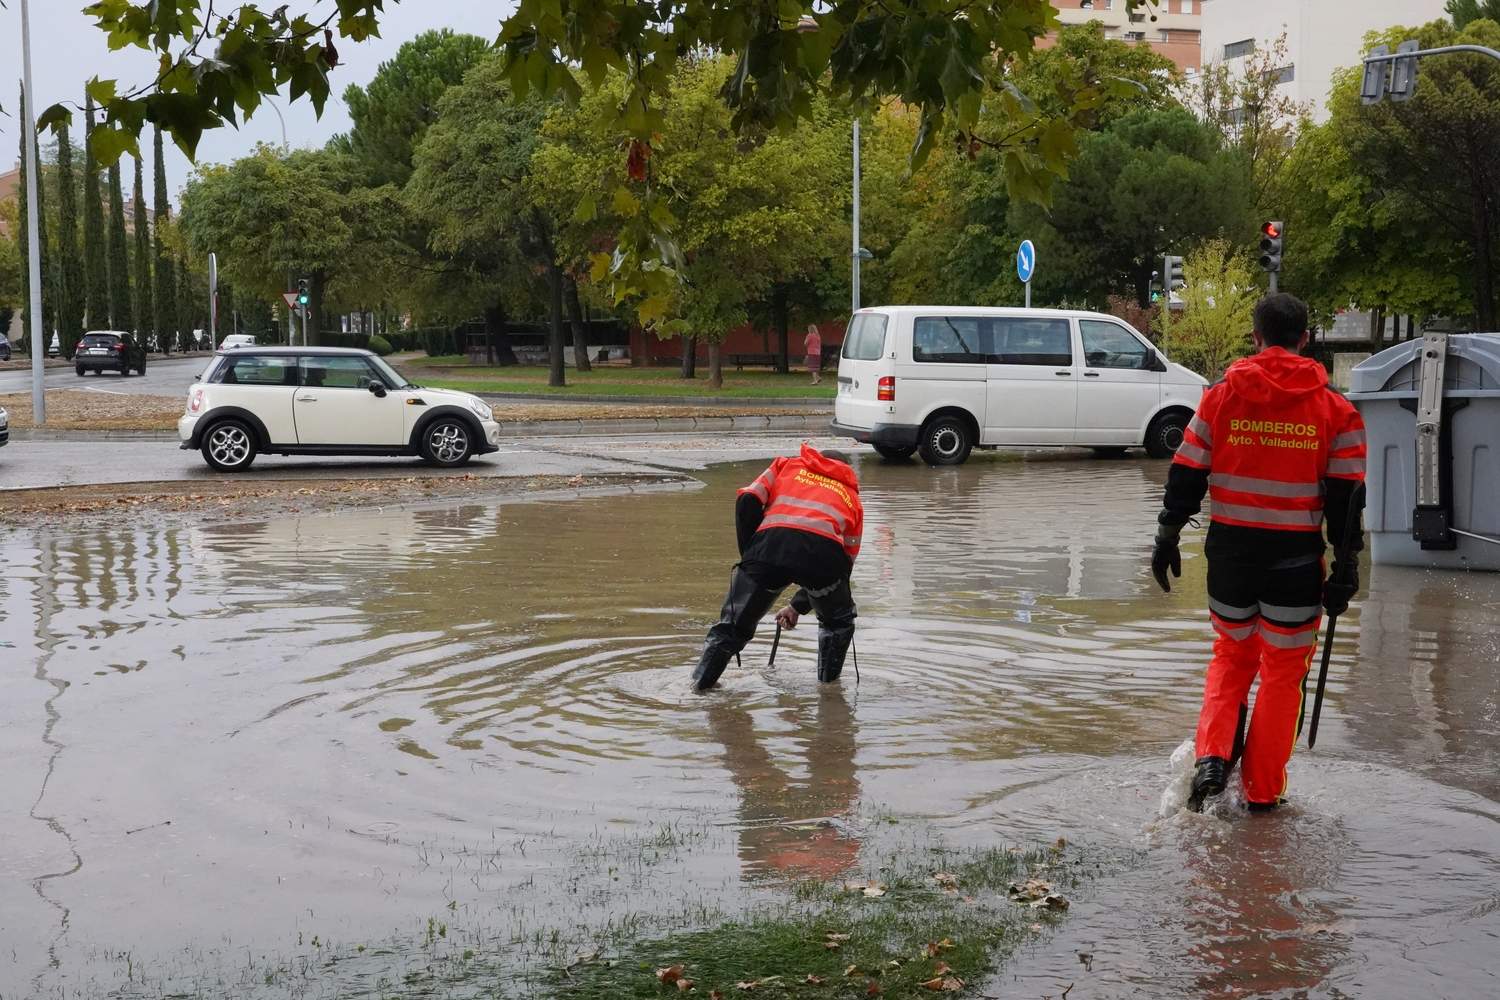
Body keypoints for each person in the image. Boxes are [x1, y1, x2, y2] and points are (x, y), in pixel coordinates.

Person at [1150, 293, 1366, 813]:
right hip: (1294, 563)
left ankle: (1213, 760)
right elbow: (1347, 501)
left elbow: (1186, 471)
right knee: (1283, 673)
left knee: (1231, 656)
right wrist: (1346, 566)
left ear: (1256, 338)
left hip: (1230, 557)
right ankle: (1263, 792)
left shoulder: (1220, 398)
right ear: (1305, 340)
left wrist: (1167, 534)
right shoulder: (1337, 410)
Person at [692, 444, 863, 691]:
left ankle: (700, 687)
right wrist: (799, 606)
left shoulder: (786, 465)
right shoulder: (851, 497)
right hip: (824, 558)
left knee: (732, 627)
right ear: (845, 470)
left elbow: (747, 499)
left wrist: (751, 557)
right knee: (838, 623)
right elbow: (842, 568)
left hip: (769, 548)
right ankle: (829, 696)